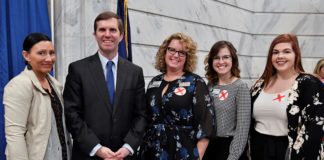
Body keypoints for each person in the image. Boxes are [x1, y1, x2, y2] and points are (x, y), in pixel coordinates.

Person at [63, 11, 147, 160]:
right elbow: (72, 114)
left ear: (121, 36)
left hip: (124, 156)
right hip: (89, 154)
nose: (107, 34)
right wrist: (96, 148)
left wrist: (128, 147)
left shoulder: (135, 72)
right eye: (102, 30)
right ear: (95, 35)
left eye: (113, 30)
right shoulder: (78, 69)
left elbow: (141, 114)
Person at [139, 32, 215, 160]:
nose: (175, 55)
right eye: (171, 50)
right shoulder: (154, 82)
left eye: (181, 52)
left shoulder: (195, 83)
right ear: (164, 52)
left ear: (187, 57)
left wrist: (197, 157)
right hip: (151, 151)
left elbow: (206, 124)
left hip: (182, 152)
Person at [250, 33, 324, 160]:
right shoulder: (260, 84)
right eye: (275, 52)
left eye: (286, 51)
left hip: (289, 151)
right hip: (258, 148)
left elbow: (314, 129)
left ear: (296, 55)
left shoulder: (309, 84)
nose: (280, 56)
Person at [3, 33, 72, 160]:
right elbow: (15, 134)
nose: (49, 58)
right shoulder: (19, 85)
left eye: (51, 53)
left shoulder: (56, 85)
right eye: (41, 53)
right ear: (26, 55)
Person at [203, 41, 251, 160]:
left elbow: (242, 130)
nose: (221, 62)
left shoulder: (240, 87)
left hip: (228, 148)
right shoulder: (210, 85)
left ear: (233, 60)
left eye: (226, 57)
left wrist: (233, 157)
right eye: (216, 58)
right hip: (209, 146)